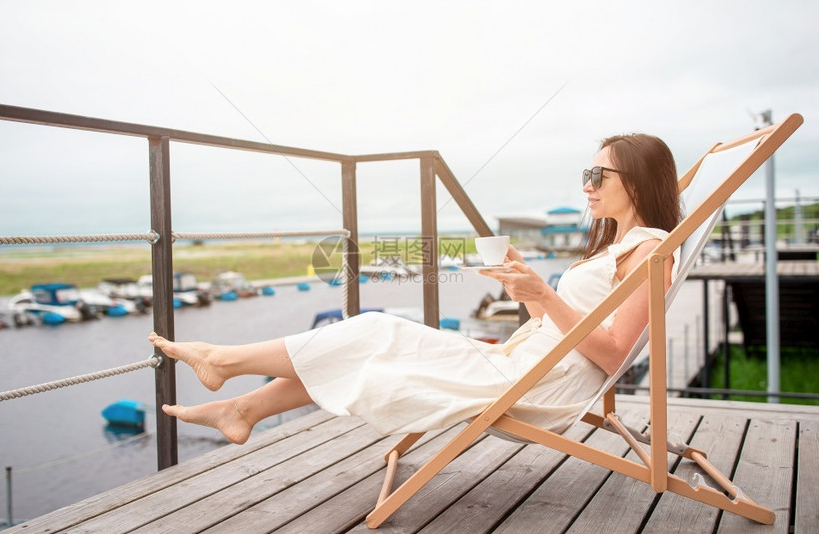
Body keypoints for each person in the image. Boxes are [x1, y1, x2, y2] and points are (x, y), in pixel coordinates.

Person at [149, 133, 682, 445]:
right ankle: (242, 409)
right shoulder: (619, 246)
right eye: (586, 173)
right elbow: (573, 326)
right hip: (526, 363)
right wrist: (530, 293)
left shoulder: (651, 250)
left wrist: (544, 296)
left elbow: (614, 354)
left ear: (635, 181)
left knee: (376, 331)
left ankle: (223, 363)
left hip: (536, 384)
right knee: (370, 340)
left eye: (598, 175)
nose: (586, 185)